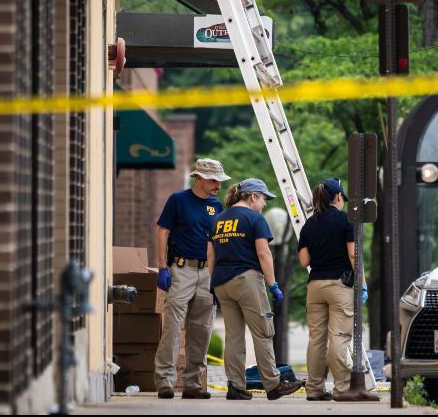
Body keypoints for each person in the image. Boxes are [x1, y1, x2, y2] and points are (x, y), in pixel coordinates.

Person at [207, 178, 303, 401]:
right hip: (246, 280)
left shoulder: (218, 220)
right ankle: (274, 384)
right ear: (252, 196)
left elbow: (210, 255)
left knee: (233, 337)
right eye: (263, 198)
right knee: (263, 332)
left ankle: (236, 386)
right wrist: (273, 285)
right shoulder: (254, 218)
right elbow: (263, 253)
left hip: (221, 282)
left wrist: (212, 284)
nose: (265, 204)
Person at [153, 158, 230, 399]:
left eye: (219, 180)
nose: (218, 184)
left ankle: (193, 384)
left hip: (206, 273)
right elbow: (163, 232)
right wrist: (162, 267)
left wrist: (216, 277)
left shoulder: (217, 206)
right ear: (200, 178)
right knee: (173, 329)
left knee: (202, 330)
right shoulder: (178, 200)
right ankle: (165, 382)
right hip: (181, 270)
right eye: (214, 180)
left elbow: (216, 244)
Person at [298, 178, 378, 402]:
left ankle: (314, 389)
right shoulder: (346, 221)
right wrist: (362, 284)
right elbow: (353, 255)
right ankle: (342, 388)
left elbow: (304, 261)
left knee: (316, 339)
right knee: (339, 338)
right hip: (339, 286)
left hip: (315, 287)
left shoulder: (309, 224)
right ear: (339, 197)